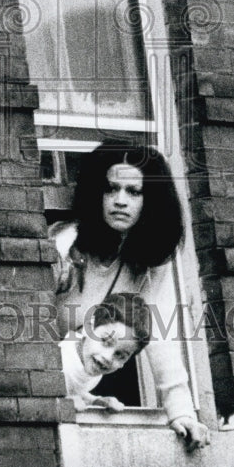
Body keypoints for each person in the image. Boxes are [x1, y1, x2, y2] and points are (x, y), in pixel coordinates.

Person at [50, 144, 210, 451]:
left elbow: (163, 335)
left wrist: (181, 411)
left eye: (133, 191)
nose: (120, 201)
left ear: (150, 201)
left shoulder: (147, 266)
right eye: (112, 189)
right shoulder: (64, 243)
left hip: (75, 394)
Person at [60, 291, 151, 412]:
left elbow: (74, 390)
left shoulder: (90, 363)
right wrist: (63, 400)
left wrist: (95, 400)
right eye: (106, 341)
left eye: (120, 355)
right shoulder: (61, 359)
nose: (108, 357)